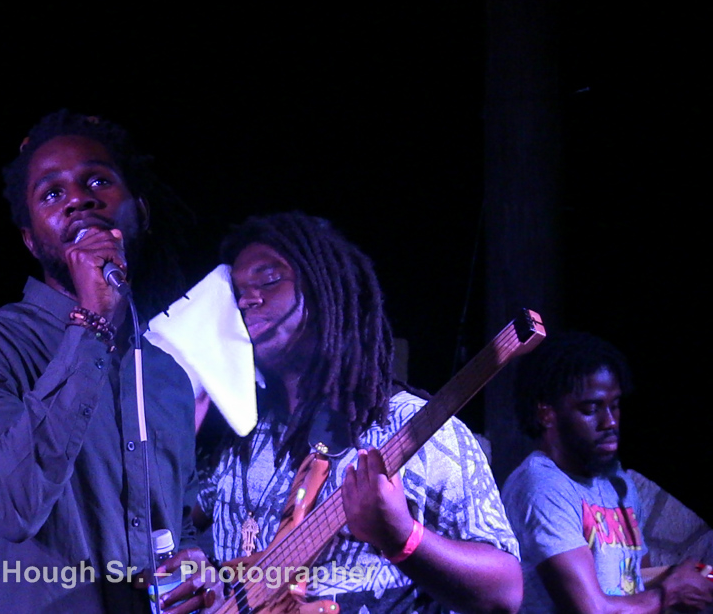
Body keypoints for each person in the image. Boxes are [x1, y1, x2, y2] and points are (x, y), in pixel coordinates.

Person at [163, 211, 522, 614]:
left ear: (325, 292)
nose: (247, 299)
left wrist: (404, 538)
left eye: (269, 280)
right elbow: (184, 525)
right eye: (238, 292)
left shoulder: (415, 428)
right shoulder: (244, 436)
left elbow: (504, 591)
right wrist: (205, 569)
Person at [0, 109, 198, 614]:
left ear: (140, 213)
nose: (79, 199)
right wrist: (92, 322)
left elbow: (178, 524)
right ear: (31, 239)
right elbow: (8, 507)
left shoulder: (166, 378)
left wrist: (193, 564)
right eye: (52, 194)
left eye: (98, 180)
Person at [501, 331, 713, 613]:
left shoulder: (616, 481)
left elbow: (632, 584)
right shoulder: (542, 487)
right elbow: (592, 610)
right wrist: (669, 593)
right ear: (546, 413)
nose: (610, 421)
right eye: (592, 408)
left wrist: (680, 577)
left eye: (615, 406)